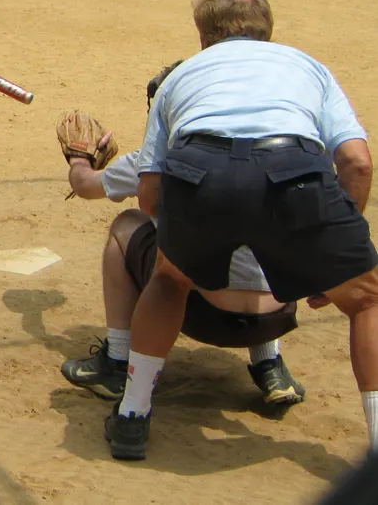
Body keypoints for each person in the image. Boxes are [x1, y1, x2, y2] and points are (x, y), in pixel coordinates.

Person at [105, 0, 378, 461]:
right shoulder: (308, 66)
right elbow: (357, 162)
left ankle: (131, 416)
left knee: (168, 280)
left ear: (203, 33)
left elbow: (149, 193)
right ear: (267, 30)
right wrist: (332, 255)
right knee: (366, 300)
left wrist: (179, 240)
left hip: (200, 170)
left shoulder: (181, 76)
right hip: (294, 171)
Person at [59, 63, 306, 407]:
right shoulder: (278, 151)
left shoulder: (153, 157)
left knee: (126, 225)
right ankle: (269, 365)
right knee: (252, 230)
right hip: (278, 316)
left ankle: (116, 362)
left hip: (194, 312)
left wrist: (79, 159)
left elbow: (84, 186)